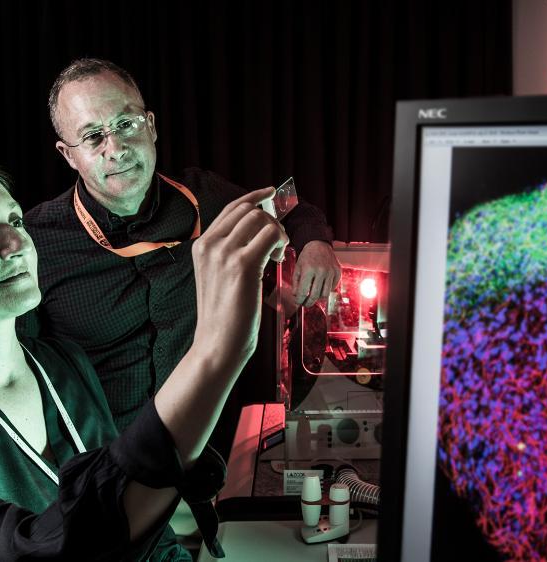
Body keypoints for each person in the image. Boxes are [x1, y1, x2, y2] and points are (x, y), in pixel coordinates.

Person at [0, 146, 287, 560]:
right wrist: (214, 351)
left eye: (15, 220)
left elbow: (143, 530)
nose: (15, 243)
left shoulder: (62, 363)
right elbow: (36, 548)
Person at [18, 58, 342, 440]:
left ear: (151, 127)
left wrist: (316, 242)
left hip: (203, 451)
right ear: (68, 155)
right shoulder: (36, 242)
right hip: (103, 462)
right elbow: (21, 370)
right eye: (93, 136)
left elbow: (291, 207)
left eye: (127, 124)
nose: (116, 148)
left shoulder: (203, 196)